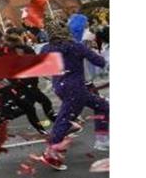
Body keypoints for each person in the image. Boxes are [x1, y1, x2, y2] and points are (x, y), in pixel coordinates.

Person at [41, 20, 109, 169]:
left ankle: (103, 140)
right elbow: (99, 61)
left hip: (60, 86)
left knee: (104, 106)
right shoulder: (76, 46)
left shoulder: (46, 48)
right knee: (64, 120)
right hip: (76, 88)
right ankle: (50, 155)